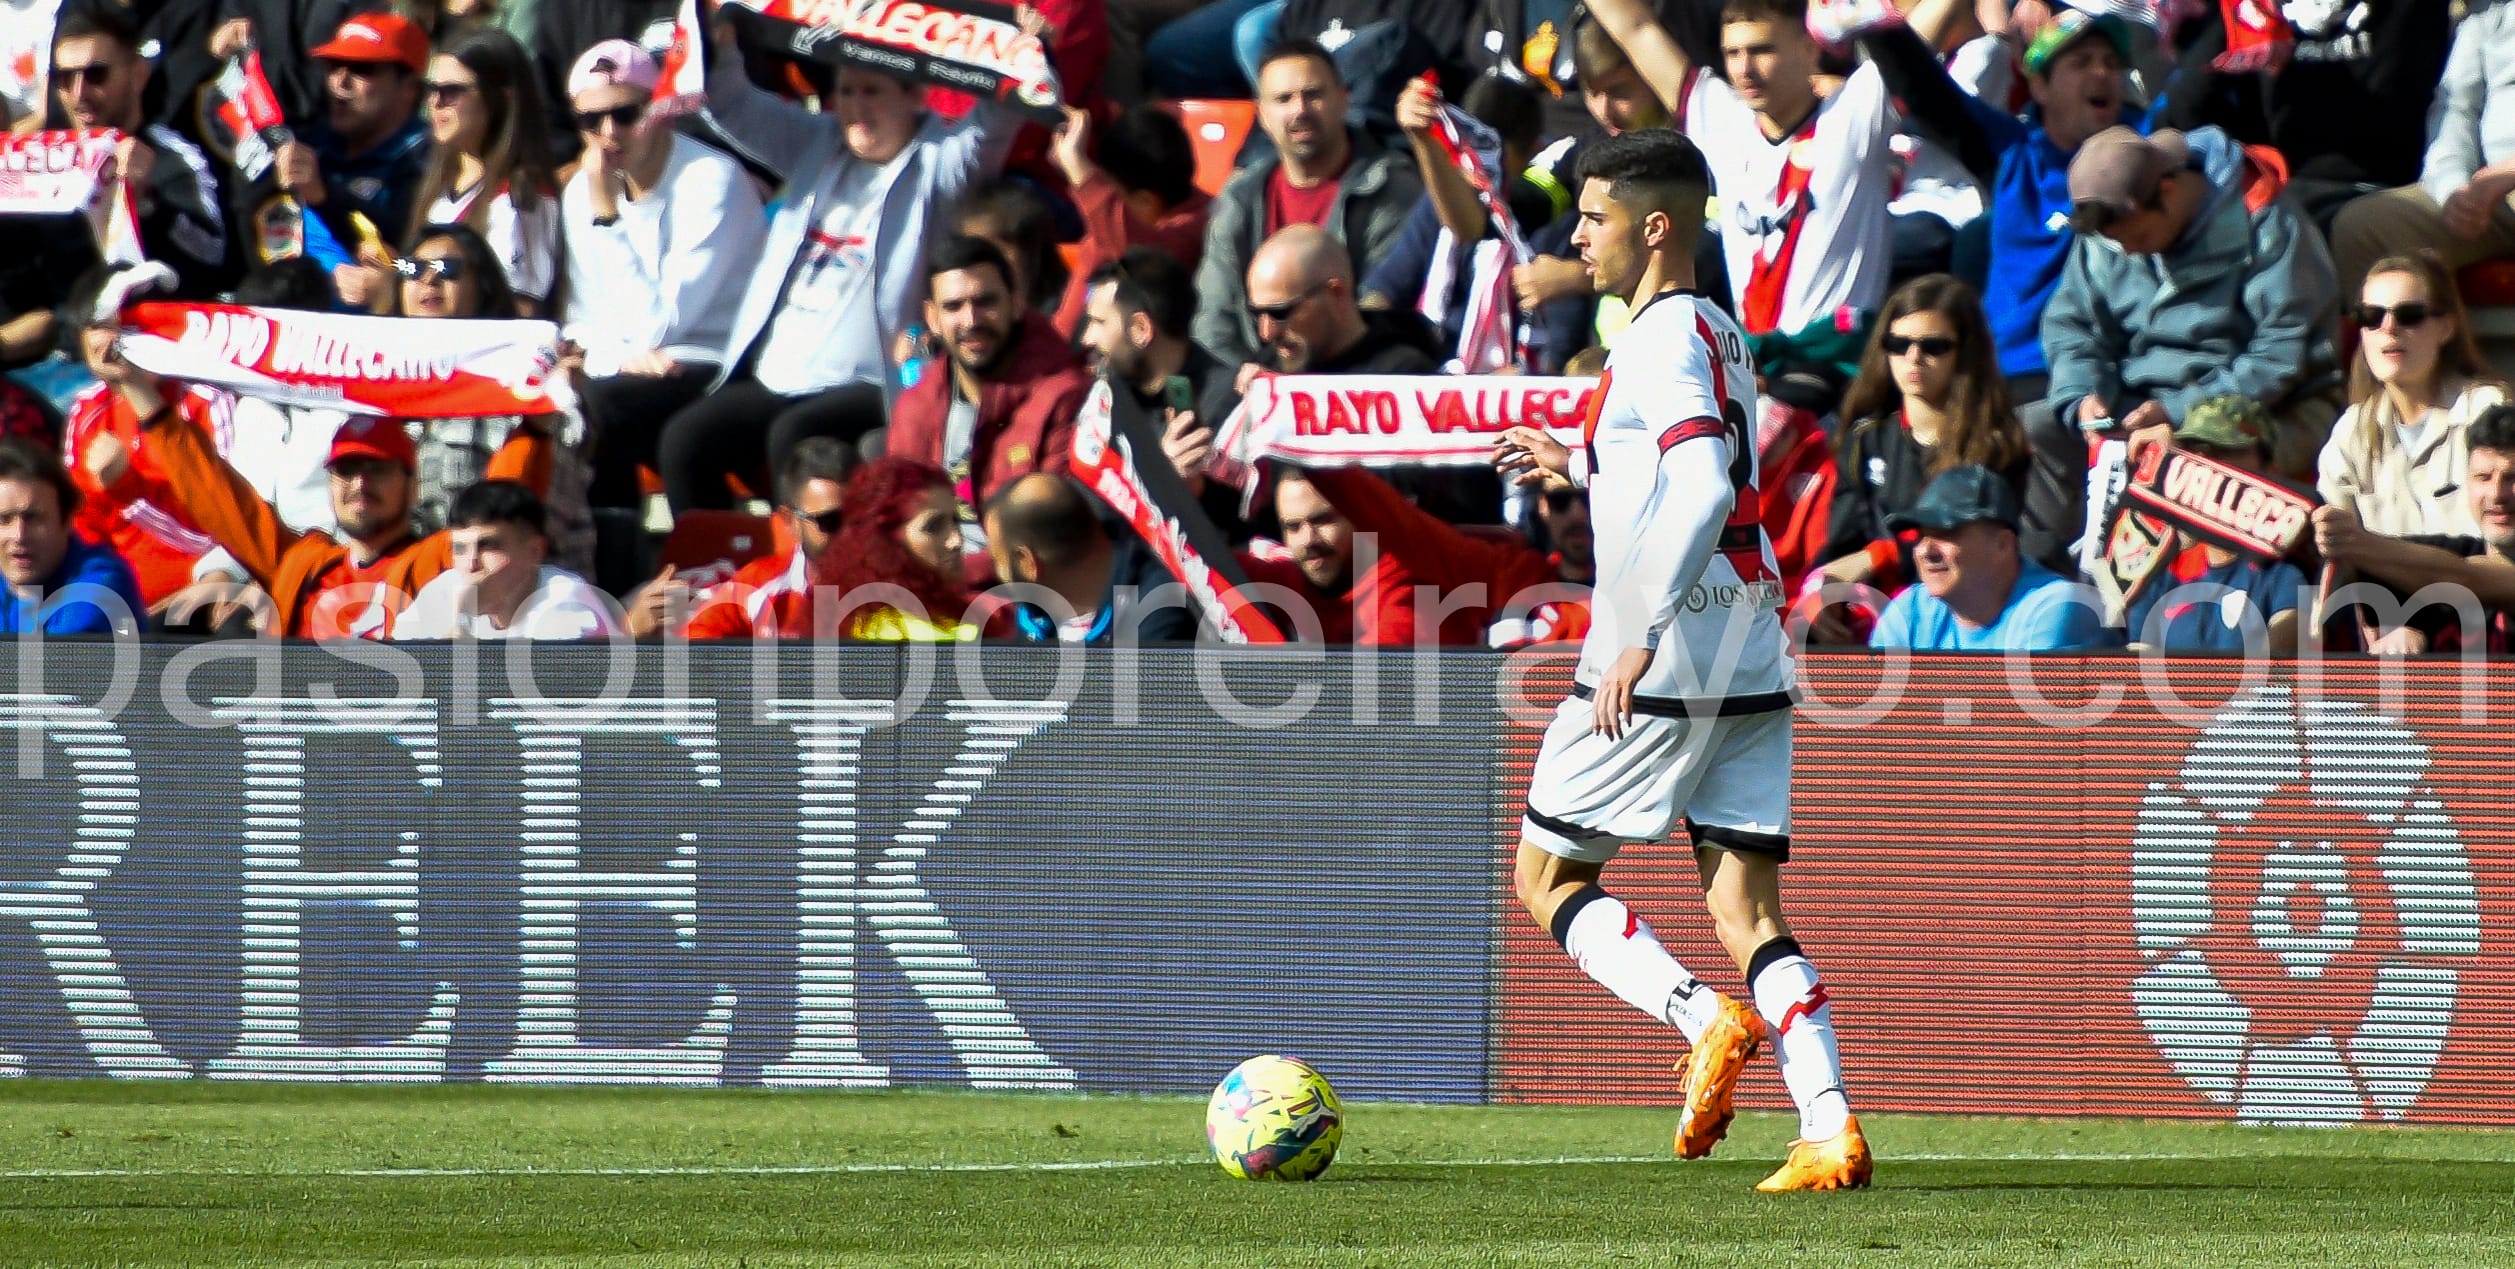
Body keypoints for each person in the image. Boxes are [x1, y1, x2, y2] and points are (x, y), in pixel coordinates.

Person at [1493, 129, 1868, 1192]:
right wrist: (1583, 463)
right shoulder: (1716, 330)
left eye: (1594, 217)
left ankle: (1702, 1017)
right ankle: (1829, 1125)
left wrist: (1639, 631)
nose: (1576, 236)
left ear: (1654, 227)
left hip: (1666, 650)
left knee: (1546, 876)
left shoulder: (1657, 337)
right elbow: (1694, 471)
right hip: (1749, 641)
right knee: (1745, 908)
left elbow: (1701, 487)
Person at [655, 12, 1026, 513]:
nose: (854, 107)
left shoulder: (943, 163)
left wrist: (1020, 47)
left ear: (914, 96)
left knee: (796, 438)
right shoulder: (820, 142)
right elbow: (732, 103)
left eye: (871, 91)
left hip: (870, 382)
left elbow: (997, 119)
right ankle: (718, 557)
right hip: (777, 374)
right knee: (685, 439)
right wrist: (719, 43)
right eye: (846, 91)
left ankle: (802, 561)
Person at [1586, 0, 1901, 393]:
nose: (1744, 69)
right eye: (1732, 53)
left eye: (1762, 50)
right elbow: (1635, 28)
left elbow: (1921, 23)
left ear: (1809, 49)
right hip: (1752, 368)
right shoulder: (1722, 119)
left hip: (1837, 369)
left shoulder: (1856, 111)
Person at [1851, 7, 2149, 398]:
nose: (2101, 73)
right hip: (2013, 380)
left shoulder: (2147, 151)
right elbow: (1928, 93)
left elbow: (2192, 97)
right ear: (2039, 87)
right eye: (2081, 63)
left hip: (2113, 380)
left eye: (2111, 63)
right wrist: (1876, 22)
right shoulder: (2014, 152)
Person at [555, 39, 768, 535]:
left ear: (660, 110)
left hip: (716, 359)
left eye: (626, 114)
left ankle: (662, 557)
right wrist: (616, 359)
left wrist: (607, 216)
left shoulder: (711, 180)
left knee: (603, 408)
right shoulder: (579, 191)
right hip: (633, 366)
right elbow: (581, 320)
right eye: (592, 120)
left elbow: (661, 325)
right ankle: (606, 555)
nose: (609, 133)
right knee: (571, 400)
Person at [2045, 127, 2342, 481]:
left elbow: (2280, 356)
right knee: (2033, 436)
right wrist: (2082, 397)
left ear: (2167, 192)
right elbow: (2074, 326)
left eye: (2139, 237)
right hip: (2136, 405)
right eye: (2117, 243)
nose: (2128, 252)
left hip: (2264, 408)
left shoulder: (2266, 223)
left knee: (2191, 463)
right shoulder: (2109, 236)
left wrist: (2175, 411)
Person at [136, 401, 551, 639]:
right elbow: (216, 495)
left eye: (377, 470)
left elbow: (503, 503)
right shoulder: (301, 562)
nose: (359, 484)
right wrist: (146, 403)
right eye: (346, 471)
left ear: (412, 485)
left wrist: (536, 424)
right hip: (300, 743)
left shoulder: (436, 560)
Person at [1808, 275, 2055, 643]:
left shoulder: (1999, 443)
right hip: (1876, 609)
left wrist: (1881, 556)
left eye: (1933, 346)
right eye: (1898, 344)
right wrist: (1818, 590)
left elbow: (1986, 552)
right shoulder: (1864, 437)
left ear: (1965, 354)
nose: (1913, 358)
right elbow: (1840, 545)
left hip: (1966, 613)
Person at [1191, 39, 1423, 393]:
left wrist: (1292, 393)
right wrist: (1252, 389)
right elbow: (1213, 322)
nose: (1299, 109)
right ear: (1262, 114)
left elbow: (1372, 315)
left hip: (1355, 388)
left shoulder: (1391, 187)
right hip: (1250, 390)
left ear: (1344, 99)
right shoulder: (1239, 196)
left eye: (1313, 94)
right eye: (1283, 99)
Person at [385, 223, 588, 571]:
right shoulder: (373, 386)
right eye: (412, 269)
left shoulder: (531, 378)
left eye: (447, 268)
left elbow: (545, 518)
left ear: (483, 286)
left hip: (516, 582)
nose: (428, 280)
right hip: (406, 579)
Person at [883, 236, 1094, 541]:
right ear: (933, 318)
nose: (971, 320)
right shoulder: (915, 406)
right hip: (937, 566)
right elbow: (900, 521)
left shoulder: (1064, 397)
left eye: (986, 302)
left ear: (1016, 303)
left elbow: (1051, 536)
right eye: (953, 307)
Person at [58, 263, 232, 612]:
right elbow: (84, 532)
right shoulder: (86, 411)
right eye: (99, 325)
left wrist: (127, 487)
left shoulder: (205, 402)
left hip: (195, 604)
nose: (115, 339)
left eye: (131, 323)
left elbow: (227, 531)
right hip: (113, 607)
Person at [2326, 0, 2515, 295]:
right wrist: (2454, 191)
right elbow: (2455, 107)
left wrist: (2509, 172)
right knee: (2361, 228)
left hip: (2503, 180)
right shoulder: (2487, 11)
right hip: (2495, 201)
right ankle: (2405, 325)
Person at [2316, 253, 2510, 539]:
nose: (2389, 328)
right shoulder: (2351, 431)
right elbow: (2333, 549)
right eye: (2371, 317)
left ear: (2446, 327)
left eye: (2409, 315)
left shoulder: (2488, 410)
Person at [46, 3, 231, 298]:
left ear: (138, 76)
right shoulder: (43, 163)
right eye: (65, 79)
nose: (79, 94)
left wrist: (147, 204)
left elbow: (214, 255)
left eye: (96, 75)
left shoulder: (174, 157)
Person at [2314, 403, 2515, 655]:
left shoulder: (2450, 570)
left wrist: (2352, 541)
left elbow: (2463, 579)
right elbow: (2357, 571)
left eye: (2512, 478)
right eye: (2483, 477)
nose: (2496, 494)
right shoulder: (2448, 554)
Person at [2121, 397, 2306, 655]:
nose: (2204, 463)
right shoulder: (2162, 573)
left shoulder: (2283, 575)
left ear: (2269, 472)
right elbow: (2138, 667)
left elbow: (2280, 658)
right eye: (2193, 451)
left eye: (2220, 451)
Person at [273, 13, 433, 310]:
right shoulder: (309, 144)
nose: (341, 82)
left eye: (362, 69)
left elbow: (418, 254)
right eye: (334, 66)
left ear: (410, 88)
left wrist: (325, 197)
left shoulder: (429, 160)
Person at [397, 28, 561, 313]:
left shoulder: (521, 194)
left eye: (452, 91)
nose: (435, 102)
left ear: (502, 97)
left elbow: (522, 310)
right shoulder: (437, 186)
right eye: (431, 90)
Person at [1868, 464, 2101, 652]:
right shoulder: (1910, 611)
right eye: (1920, 536)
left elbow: (2020, 699)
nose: (1926, 551)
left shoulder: (2054, 607)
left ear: (2003, 545)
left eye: (1947, 533)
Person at [657, 436, 859, 640]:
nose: (849, 532)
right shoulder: (757, 586)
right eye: (831, 520)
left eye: (860, 516)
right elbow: (695, 647)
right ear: (790, 521)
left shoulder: (880, 583)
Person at [1047, 105, 1210, 341]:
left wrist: (1079, 169)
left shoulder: (1202, 227)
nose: (1107, 203)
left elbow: (1141, 252)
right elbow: (1065, 329)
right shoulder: (1108, 234)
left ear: (1145, 201)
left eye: (1113, 195)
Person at [982, 472, 1198, 643]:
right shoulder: (1033, 618)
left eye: (997, 559)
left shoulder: (1156, 615)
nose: (996, 572)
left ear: (1027, 563)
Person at [391, 479, 620, 638]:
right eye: (459, 549)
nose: (471, 564)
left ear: (535, 551)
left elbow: (536, 691)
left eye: (488, 546)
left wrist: (459, 626)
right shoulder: (445, 589)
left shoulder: (566, 600)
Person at [790, 458, 983, 642]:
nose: (956, 541)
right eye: (933, 527)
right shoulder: (958, 639)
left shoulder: (844, 621)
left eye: (955, 521)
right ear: (883, 541)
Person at [0, 436, 141, 636]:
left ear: (67, 521)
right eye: (4, 520)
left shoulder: (100, 587)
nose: (19, 536)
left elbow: (53, 655)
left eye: (34, 519)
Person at [954, 180, 1068, 323]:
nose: (979, 267)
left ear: (1033, 255)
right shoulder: (964, 318)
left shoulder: (1065, 313)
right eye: (972, 254)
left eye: (993, 253)